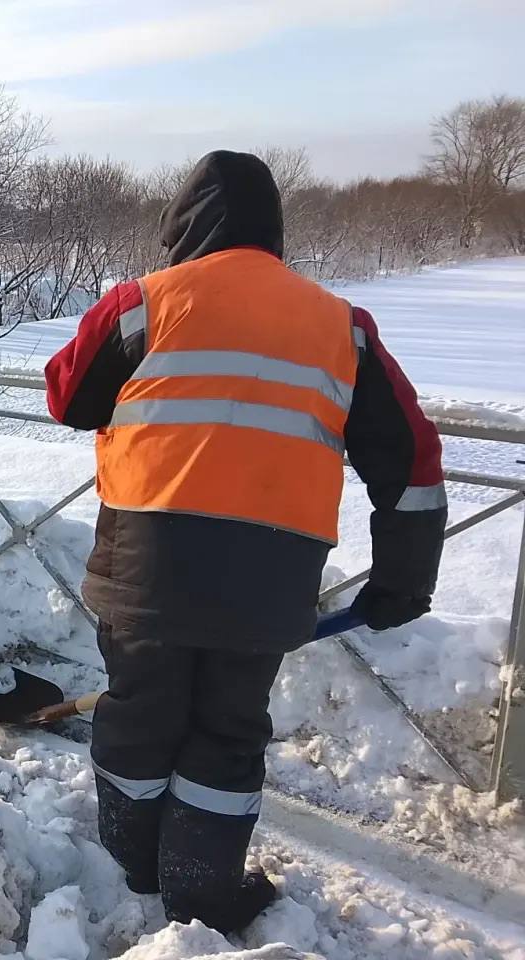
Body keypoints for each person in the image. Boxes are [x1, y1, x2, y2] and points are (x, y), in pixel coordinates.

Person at [44, 151, 446, 933]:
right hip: (270, 576)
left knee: (139, 710)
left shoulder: (142, 303)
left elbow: (67, 396)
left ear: (184, 226)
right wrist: (404, 576)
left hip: (146, 562)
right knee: (227, 729)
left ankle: (134, 865)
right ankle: (200, 892)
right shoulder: (343, 327)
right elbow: (411, 460)